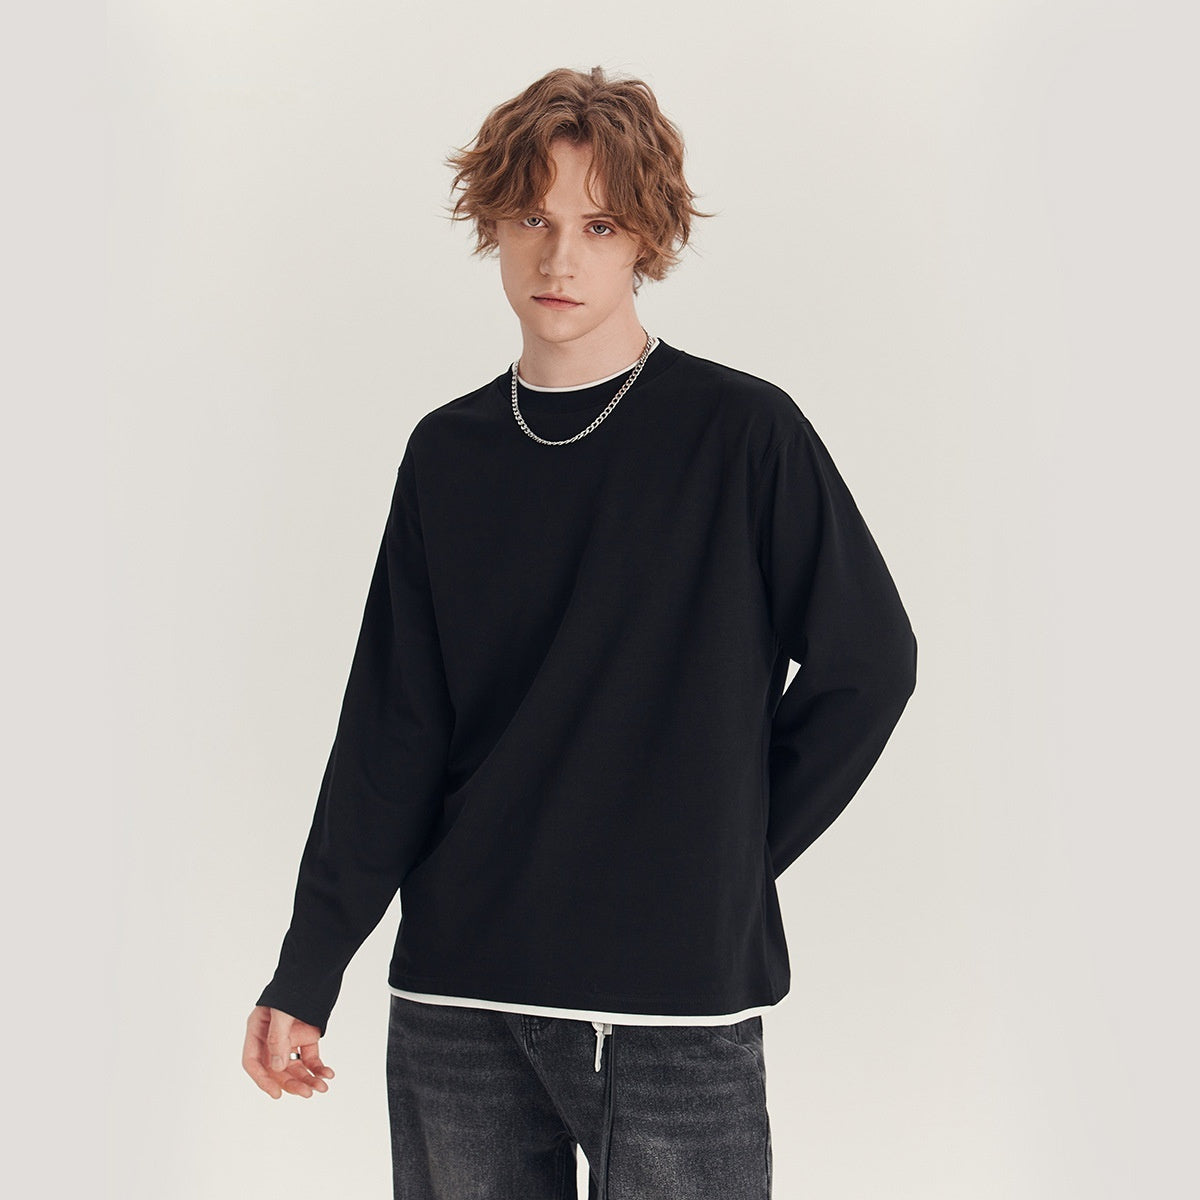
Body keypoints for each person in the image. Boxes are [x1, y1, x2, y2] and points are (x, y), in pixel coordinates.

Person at [242, 65, 917, 1200]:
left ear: (646, 236)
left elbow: (871, 663)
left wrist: (726, 854)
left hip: (669, 1009)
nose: (559, 259)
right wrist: (307, 968)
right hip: (460, 996)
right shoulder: (447, 453)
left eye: (599, 225)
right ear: (493, 227)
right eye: (532, 220)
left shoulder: (742, 433)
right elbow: (393, 728)